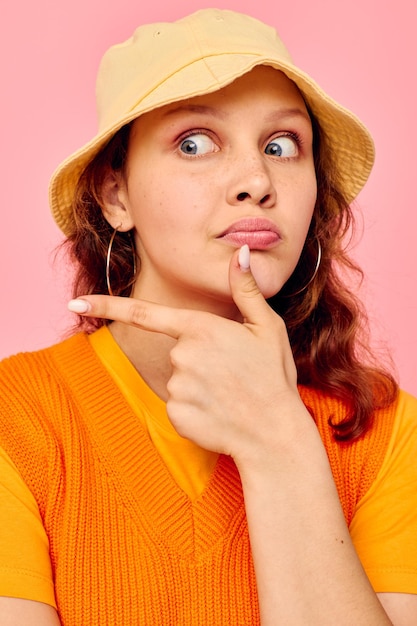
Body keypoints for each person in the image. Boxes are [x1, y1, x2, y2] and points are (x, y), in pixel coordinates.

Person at [0, 7, 416, 625]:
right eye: (194, 143)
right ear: (117, 195)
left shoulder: (384, 431)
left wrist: (280, 443)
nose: (256, 180)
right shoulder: (18, 415)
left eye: (282, 146)